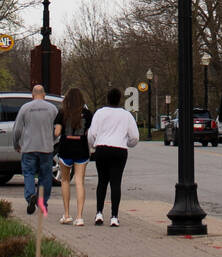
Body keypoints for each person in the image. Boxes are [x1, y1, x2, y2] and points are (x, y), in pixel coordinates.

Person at [87, 87, 139, 226]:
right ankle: (114, 216)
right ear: (120, 99)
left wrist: (94, 145)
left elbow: (91, 134)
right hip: (119, 150)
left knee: (102, 182)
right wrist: (126, 143)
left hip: (102, 148)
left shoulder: (99, 113)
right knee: (116, 183)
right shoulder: (126, 115)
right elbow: (134, 137)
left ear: (107, 99)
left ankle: (99, 213)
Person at [12, 85, 58, 214]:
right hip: (46, 148)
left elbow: (17, 130)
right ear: (44, 95)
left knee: (29, 173)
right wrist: (52, 139)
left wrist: (16, 144)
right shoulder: (52, 109)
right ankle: (42, 202)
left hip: (29, 148)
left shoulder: (25, 108)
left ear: (32, 95)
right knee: (45, 176)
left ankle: (30, 195)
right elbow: (58, 128)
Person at [54, 88, 92, 225]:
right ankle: (80, 217)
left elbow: (57, 132)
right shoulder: (87, 113)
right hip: (81, 149)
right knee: (80, 182)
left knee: (65, 181)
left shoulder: (62, 112)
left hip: (65, 149)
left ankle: (66, 214)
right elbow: (89, 132)